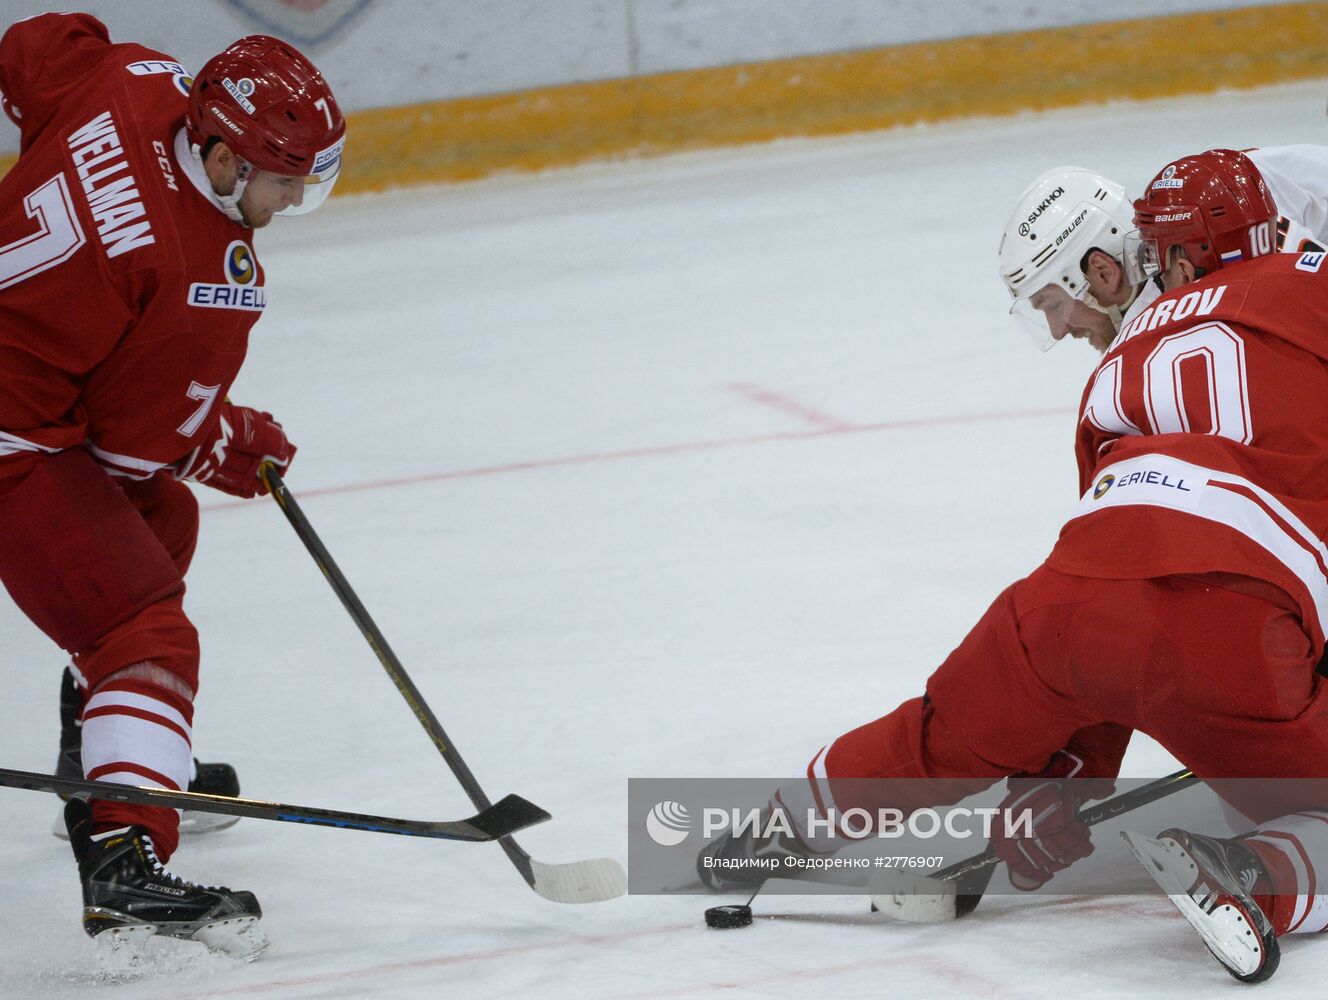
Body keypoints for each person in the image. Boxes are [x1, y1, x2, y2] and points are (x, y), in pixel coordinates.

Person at [701, 149, 1328, 983]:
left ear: (1133, 263)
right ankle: (1251, 876)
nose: (1062, 326)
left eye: (1057, 302)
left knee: (934, 736)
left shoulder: (1118, 367)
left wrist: (1064, 777)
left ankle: (764, 832)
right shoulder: (1307, 285)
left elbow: (1130, 586)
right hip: (1233, 623)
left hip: (1057, 615)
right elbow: (1185, 603)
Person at [0, 12, 345, 957]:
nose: (287, 203)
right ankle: (123, 864)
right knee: (143, 624)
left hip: (27, 398)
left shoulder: (141, 78)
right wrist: (227, 435)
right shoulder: (206, 277)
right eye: (283, 183)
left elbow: (37, 52)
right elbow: (135, 440)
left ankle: (104, 760)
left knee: (157, 525)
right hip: (9, 436)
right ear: (227, 160)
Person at [998, 147, 1328, 354]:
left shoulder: (1146, 353)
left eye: (1054, 305)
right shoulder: (1229, 182)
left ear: (1103, 271)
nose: (1058, 330)